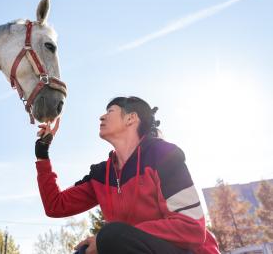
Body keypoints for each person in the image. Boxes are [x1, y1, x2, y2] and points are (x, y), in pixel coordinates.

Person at [34, 96, 220, 254]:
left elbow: (191, 228)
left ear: (131, 118)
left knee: (110, 236)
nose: (102, 116)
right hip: (128, 246)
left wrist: (115, 237)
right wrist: (42, 154)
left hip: (190, 251)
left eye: (110, 111)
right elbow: (55, 206)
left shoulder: (163, 156)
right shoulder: (101, 174)